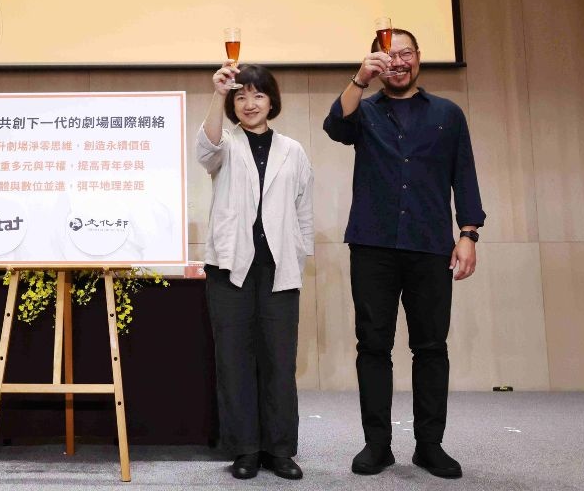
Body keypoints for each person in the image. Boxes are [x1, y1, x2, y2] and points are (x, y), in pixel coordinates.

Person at [323, 27, 485, 479]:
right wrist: (359, 79)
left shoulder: (447, 114)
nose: (397, 61)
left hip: (430, 245)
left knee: (431, 347)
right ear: (377, 62)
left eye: (405, 53)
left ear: (418, 57)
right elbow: (335, 126)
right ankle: (377, 445)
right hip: (372, 244)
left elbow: (464, 174)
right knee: (373, 346)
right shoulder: (365, 110)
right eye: (387, 55)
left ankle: (429, 446)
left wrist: (468, 233)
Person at [197, 63, 314, 481]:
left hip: (279, 270)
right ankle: (245, 449)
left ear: (271, 101)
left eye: (258, 95)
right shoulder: (225, 143)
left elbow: (303, 210)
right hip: (230, 268)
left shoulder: (293, 150)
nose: (249, 103)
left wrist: (299, 256)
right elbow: (205, 150)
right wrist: (218, 93)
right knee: (234, 361)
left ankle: (279, 450)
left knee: (280, 361)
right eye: (241, 96)